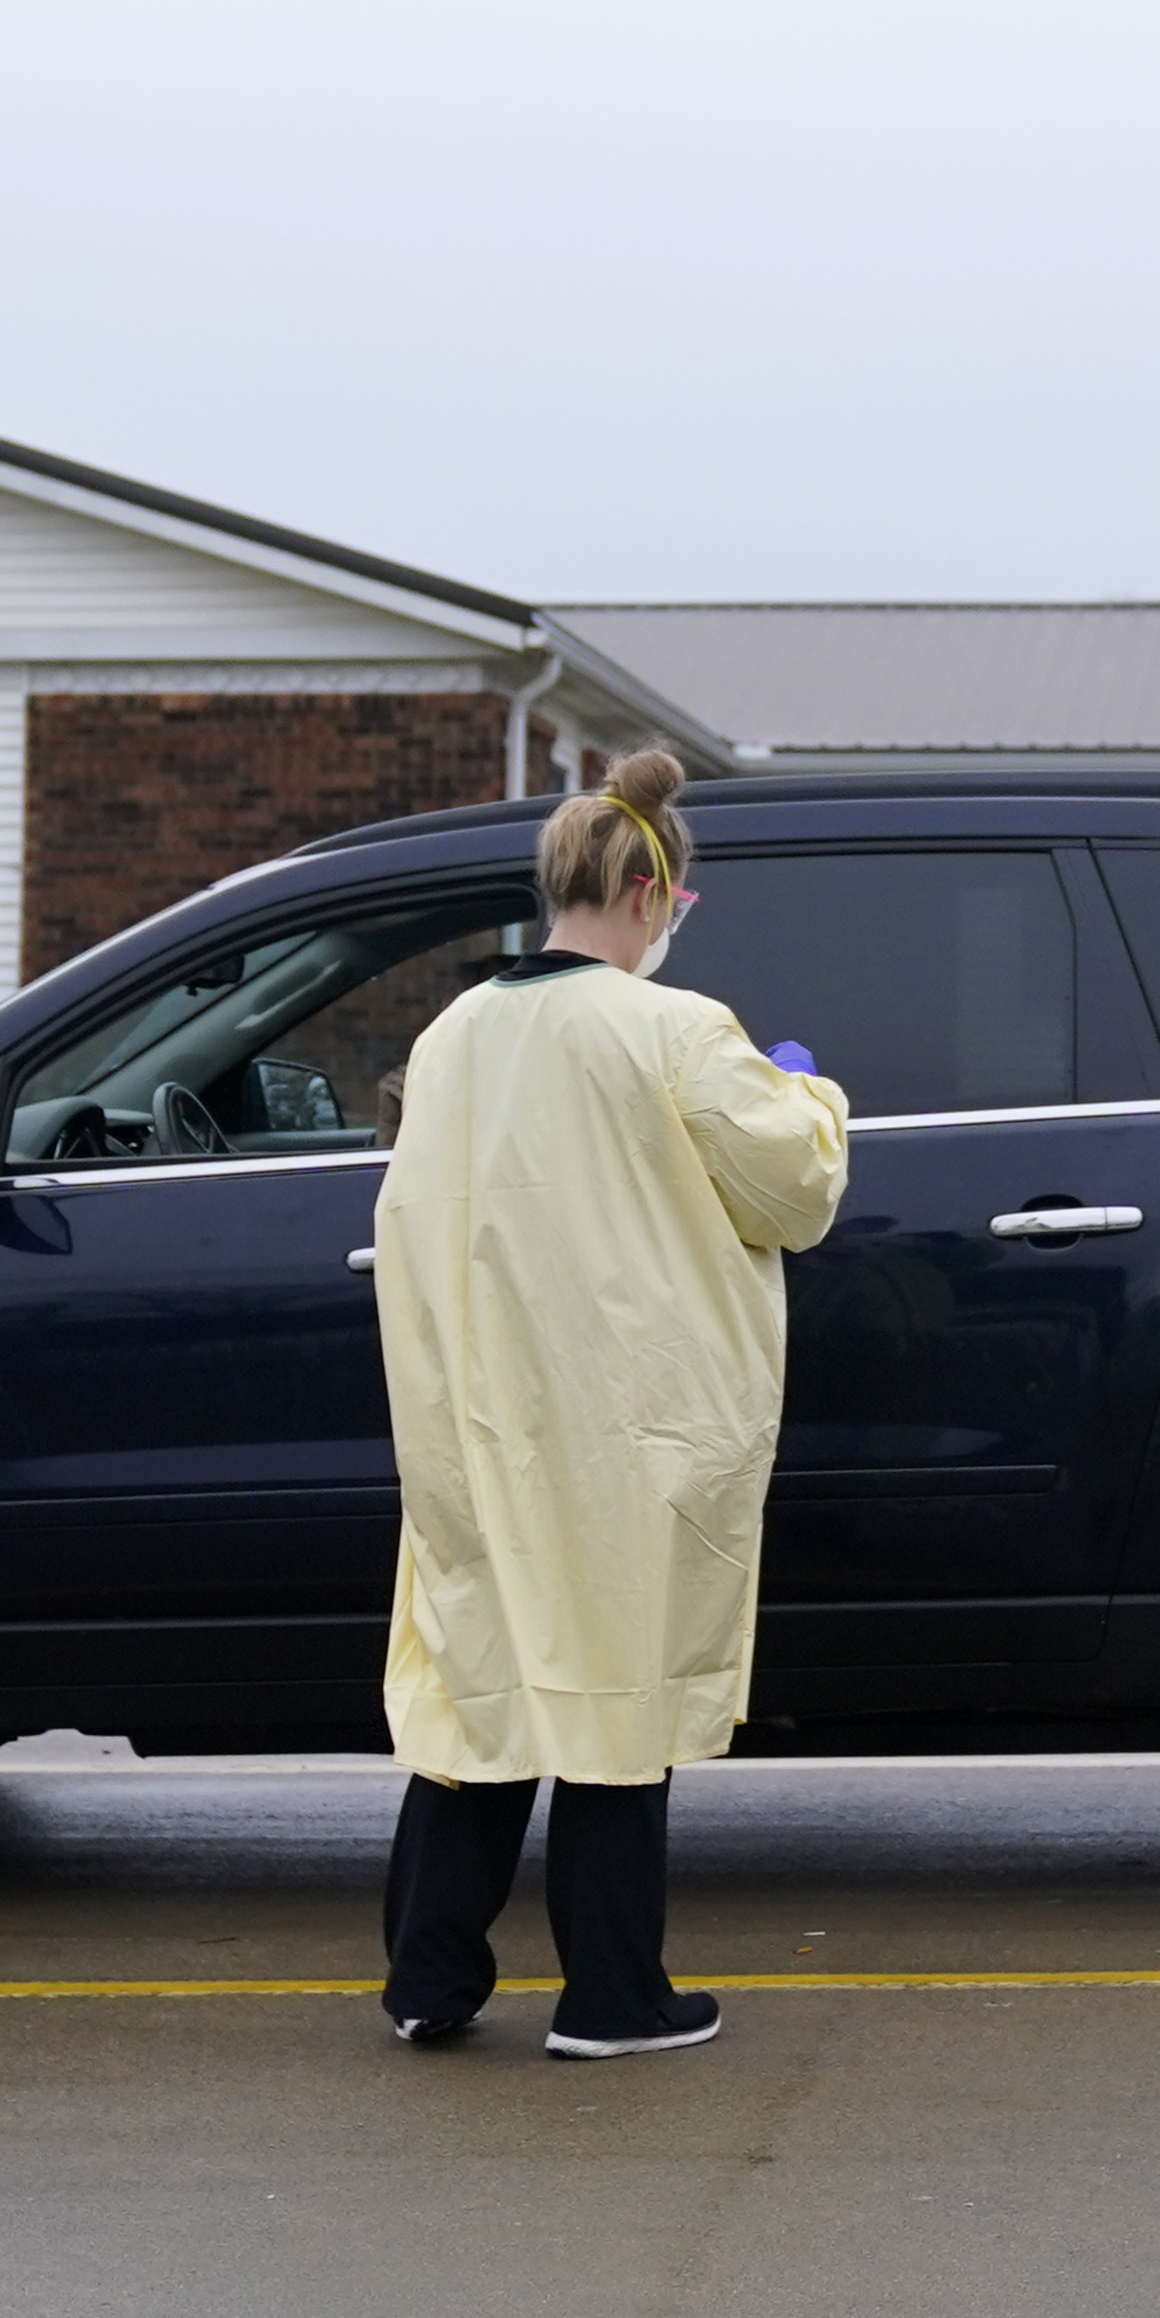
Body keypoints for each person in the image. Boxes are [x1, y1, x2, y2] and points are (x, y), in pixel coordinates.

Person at [367, 747, 849, 2056]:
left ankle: (429, 1981)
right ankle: (612, 1996)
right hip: (628, 1426)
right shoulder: (674, 1030)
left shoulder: (454, 1031)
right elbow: (793, 1193)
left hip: (480, 1418)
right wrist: (807, 1086)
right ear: (647, 891)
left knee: (484, 1683)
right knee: (617, 1699)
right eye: (677, 911)